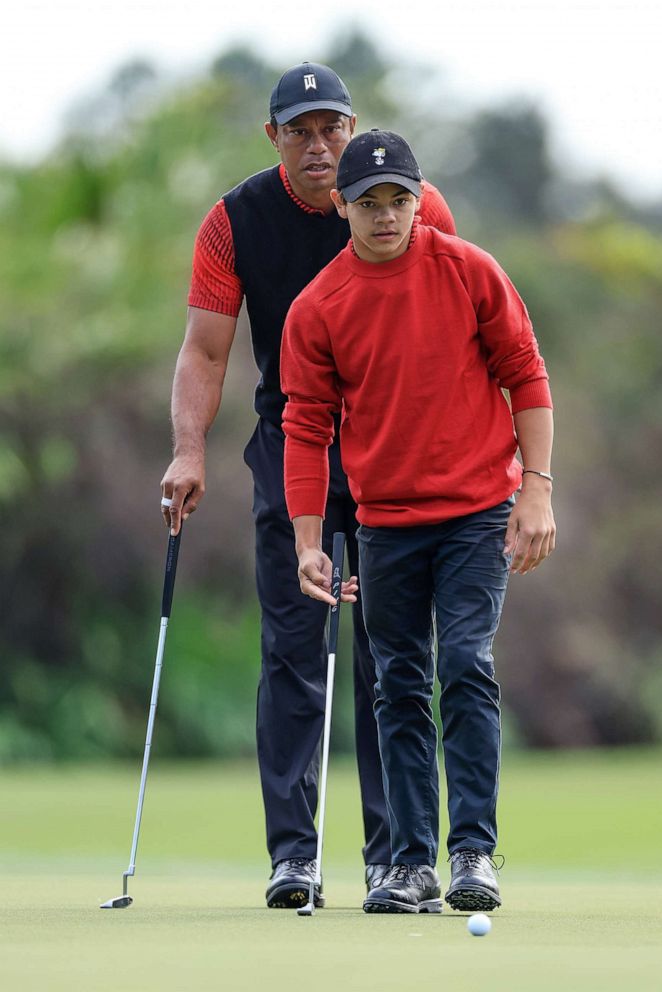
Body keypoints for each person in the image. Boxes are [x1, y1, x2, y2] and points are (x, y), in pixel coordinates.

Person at [160, 64, 457, 909]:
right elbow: (206, 349)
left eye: (332, 127)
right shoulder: (234, 221)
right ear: (273, 138)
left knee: (390, 654)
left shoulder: (410, 202)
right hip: (288, 443)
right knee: (293, 650)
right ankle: (294, 857)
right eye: (301, 130)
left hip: (394, 455)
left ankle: (394, 856)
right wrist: (189, 451)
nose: (320, 144)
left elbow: (452, 321)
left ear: (354, 124)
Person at [281, 129, 555, 914]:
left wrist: (535, 491)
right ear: (341, 207)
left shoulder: (468, 270)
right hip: (385, 523)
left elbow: (525, 374)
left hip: (476, 512)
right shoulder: (319, 306)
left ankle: (471, 851)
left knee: (463, 662)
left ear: (418, 198)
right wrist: (307, 541)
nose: (386, 216)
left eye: (399, 199)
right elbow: (305, 427)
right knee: (396, 683)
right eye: (369, 203)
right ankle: (409, 864)